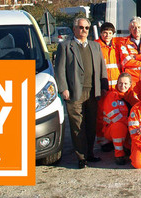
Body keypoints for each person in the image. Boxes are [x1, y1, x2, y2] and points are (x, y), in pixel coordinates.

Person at [54, 17, 108, 168]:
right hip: (74, 92)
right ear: (74, 29)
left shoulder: (95, 46)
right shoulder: (65, 46)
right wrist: (63, 88)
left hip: (93, 91)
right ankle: (81, 157)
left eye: (86, 28)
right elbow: (59, 69)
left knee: (91, 124)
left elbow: (101, 68)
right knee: (78, 125)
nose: (83, 30)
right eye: (81, 27)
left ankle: (90, 153)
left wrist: (103, 86)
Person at [95, 22, 124, 150]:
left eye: (110, 33)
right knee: (102, 114)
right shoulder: (96, 46)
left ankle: (114, 137)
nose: (107, 35)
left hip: (115, 88)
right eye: (105, 33)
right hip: (103, 87)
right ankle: (103, 140)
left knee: (116, 113)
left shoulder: (116, 46)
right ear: (101, 33)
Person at [101, 72, 132, 164]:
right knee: (119, 126)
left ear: (130, 84)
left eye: (125, 83)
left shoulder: (131, 96)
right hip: (112, 129)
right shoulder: (112, 96)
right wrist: (130, 124)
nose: (123, 86)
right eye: (120, 83)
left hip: (128, 128)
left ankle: (127, 147)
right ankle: (119, 154)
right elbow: (115, 117)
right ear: (117, 84)